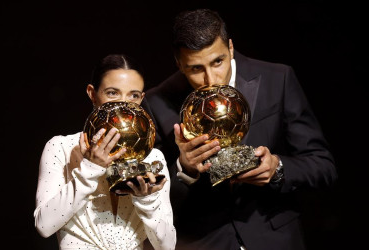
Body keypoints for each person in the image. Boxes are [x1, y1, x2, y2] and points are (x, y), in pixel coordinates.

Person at [145, 9, 338, 250]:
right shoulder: (157, 101)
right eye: (195, 69)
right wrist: (184, 170)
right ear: (179, 64)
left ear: (231, 48)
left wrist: (276, 167)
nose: (211, 79)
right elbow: (149, 199)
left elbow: (322, 165)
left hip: (274, 239)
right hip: (204, 242)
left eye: (218, 61)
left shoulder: (278, 78)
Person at [34, 54, 176, 250]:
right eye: (112, 93)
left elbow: (167, 246)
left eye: (133, 95)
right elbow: (44, 225)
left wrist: (147, 200)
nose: (123, 105)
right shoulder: (61, 147)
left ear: (142, 99)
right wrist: (89, 169)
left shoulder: (152, 157)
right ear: (92, 94)